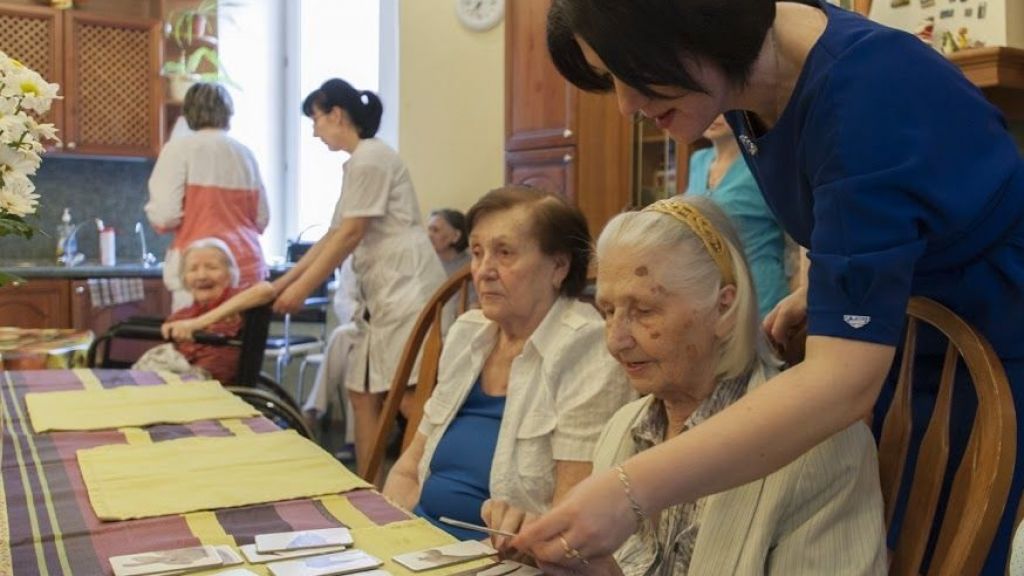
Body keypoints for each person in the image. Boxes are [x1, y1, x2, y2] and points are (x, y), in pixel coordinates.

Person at [516, 1, 1024, 572]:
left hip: (994, 345)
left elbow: (844, 380)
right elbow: (874, 207)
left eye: (630, 74)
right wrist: (838, 282)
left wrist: (628, 491)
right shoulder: (741, 82)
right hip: (910, 339)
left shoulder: (866, 93)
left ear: (693, 24)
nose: (627, 106)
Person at [584, 196, 885, 575]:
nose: (615, 341)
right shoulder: (622, 429)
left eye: (644, 310)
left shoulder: (821, 448)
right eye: (607, 312)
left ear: (724, 308)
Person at [163, 78, 446, 469]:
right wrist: (280, 284)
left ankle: (414, 486)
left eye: (316, 119)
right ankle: (368, 483)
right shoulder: (358, 163)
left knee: (409, 395)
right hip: (383, 294)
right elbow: (332, 235)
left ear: (336, 114)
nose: (314, 131)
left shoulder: (371, 158)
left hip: (406, 288)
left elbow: (350, 234)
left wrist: (300, 291)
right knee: (361, 392)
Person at [381, 186, 634, 542]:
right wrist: (398, 538)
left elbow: (567, 517)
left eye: (504, 253)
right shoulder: (468, 333)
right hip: (419, 543)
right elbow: (407, 469)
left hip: (499, 559)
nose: (483, 271)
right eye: (477, 253)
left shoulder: (586, 349)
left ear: (558, 266)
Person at [146, 82, 269, 311]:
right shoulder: (245, 155)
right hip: (248, 267)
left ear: (188, 113)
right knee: (244, 344)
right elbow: (261, 219)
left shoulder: (178, 150)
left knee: (196, 342)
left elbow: (165, 215)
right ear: (228, 113)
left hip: (200, 270)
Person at [685, 114, 787, 317]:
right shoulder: (698, 160)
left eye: (723, 109)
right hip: (708, 292)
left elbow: (800, 232)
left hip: (759, 291)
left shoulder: (762, 163)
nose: (714, 115)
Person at [135, 238, 243, 384]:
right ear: (185, 279)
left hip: (213, 388)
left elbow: (265, 290)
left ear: (229, 274)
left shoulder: (241, 304)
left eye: (212, 267)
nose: (202, 276)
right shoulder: (181, 317)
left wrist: (197, 324)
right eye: (193, 269)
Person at [427, 208, 470, 276]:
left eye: (435, 230)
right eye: (429, 230)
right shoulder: (425, 264)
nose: (429, 236)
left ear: (456, 236)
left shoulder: (471, 268)